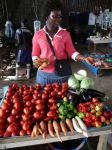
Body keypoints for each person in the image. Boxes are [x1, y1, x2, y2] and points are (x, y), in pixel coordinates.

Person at [32, 0, 94, 85]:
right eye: (54, 16)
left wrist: (84, 58)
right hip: (44, 77)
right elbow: (35, 54)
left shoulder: (65, 34)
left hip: (63, 76)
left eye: (60, 17)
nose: (58, 20)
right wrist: (36, 61)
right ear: (46, 16)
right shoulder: (38, 35)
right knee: (43, 97)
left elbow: (72, 52)